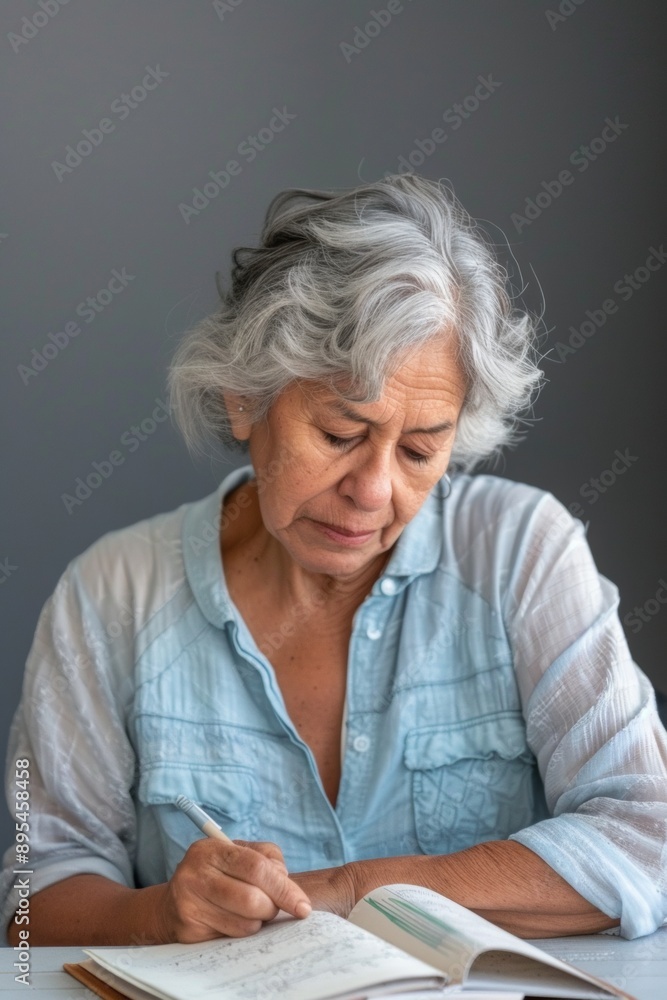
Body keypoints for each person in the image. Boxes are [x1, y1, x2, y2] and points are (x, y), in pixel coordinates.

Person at [3, 175, 667, 946]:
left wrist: (351, 891)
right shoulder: (111, 594)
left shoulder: (519, 553)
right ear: (242, 397)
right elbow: (31, 898)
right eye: (341, 435)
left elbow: (647, 834)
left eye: (421, 449)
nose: (374, 490)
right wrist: (158, 913)